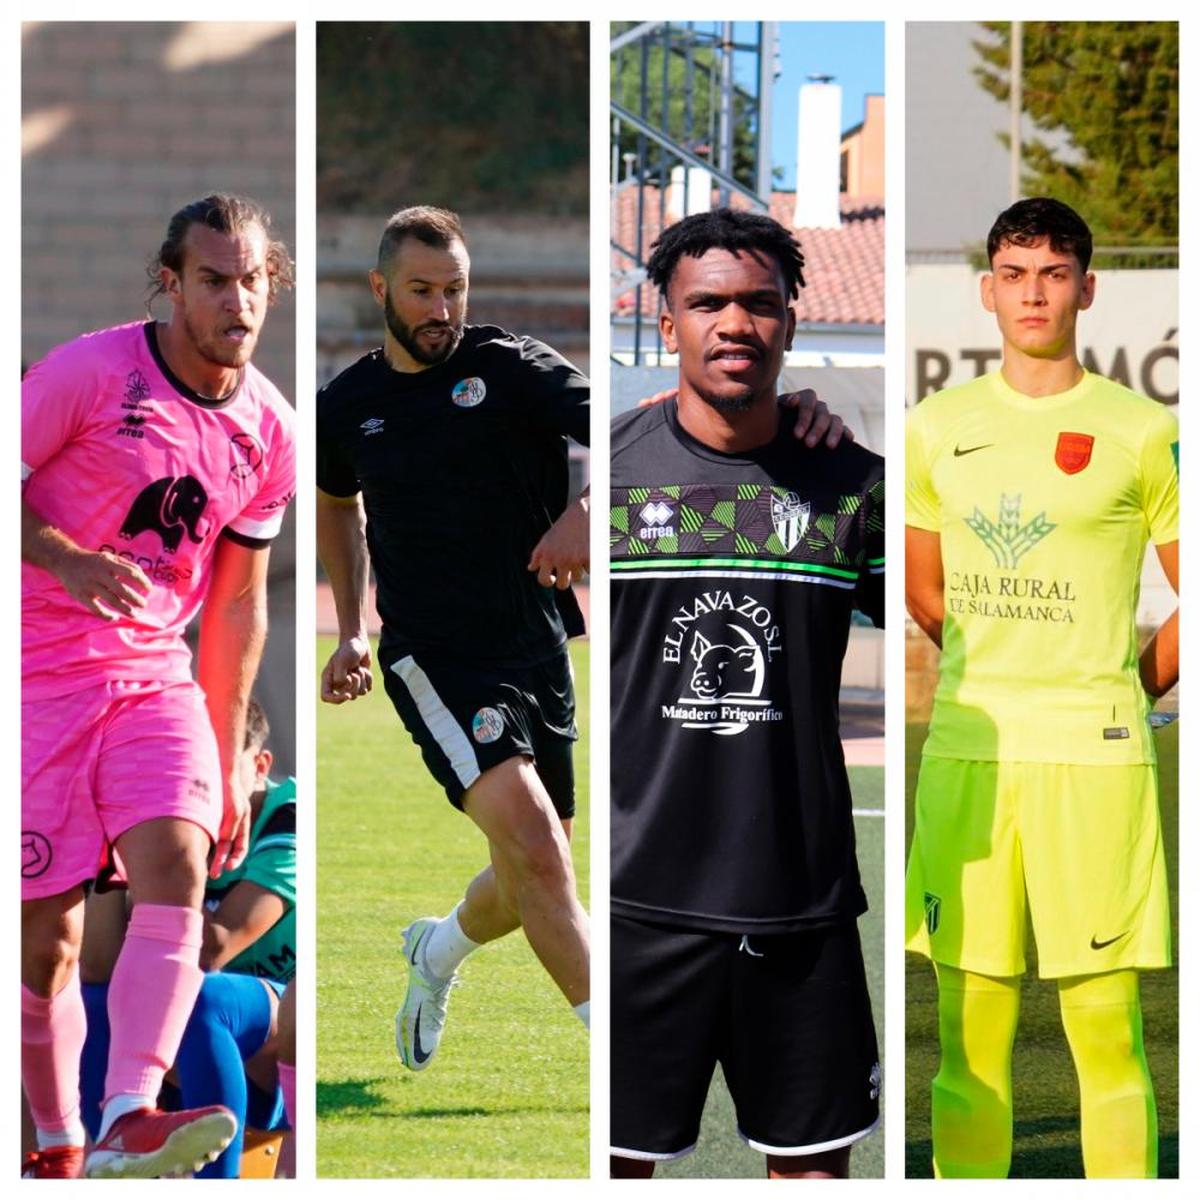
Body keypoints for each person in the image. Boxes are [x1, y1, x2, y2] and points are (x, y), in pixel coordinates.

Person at [21, 193, 296, 1179]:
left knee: (177, 864)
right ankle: (59, 1145)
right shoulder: (88, 373)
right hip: (36, 673)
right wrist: (64, 560)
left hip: (152, 676)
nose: (237, 300)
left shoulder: (271, 430)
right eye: (214, 280)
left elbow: (235, 604)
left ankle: (131, 1109)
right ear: (172, 283)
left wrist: (226, 757)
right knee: (44, 942)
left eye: (253, 280)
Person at [904, 197, 1179, 1179]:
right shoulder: (938, 427)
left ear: (1086, 288)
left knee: (1106, 1040)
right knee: (967, 1048)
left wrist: (1124, 683)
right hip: (969, 762)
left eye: (1053, 274)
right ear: (988, 290)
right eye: (1015, 274)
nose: (1034, 293)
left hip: (1095, 762)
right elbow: (925, 590)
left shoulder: (1142, 430)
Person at [609, 207, 884, 1179]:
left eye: (760, 304)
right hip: (636, 899)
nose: (736, 323)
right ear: (667, 319)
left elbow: (947, 619)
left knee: (810, 1166)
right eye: (709, 303)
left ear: (791, 323)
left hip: (798, 901)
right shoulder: (604, 480)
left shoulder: (853, 485)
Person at [317, 205, 590, 1071]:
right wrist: (354, 627)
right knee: (541, 853)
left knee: (530, 875)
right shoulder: (349, 404)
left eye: (455, 291)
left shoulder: (510, 368)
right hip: (434, 657)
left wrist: (583, 512)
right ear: (381, 290)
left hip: (537, 643)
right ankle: (630, 1061)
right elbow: (334, 501)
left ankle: (435, 952)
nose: (441, 309)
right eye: (423, 291)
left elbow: (630, 434)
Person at [78, 698, 297, 1179]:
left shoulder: (288, 815)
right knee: (87, 999)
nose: (195, 786)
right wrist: (113, 842)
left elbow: (212, 949)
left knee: (203, 998)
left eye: (214, 767)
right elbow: (96, 964)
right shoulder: (160, 827)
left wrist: (160, 869)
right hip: (183, 1044)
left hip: (274, 1037)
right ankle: (107, 1158)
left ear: (259, 766)